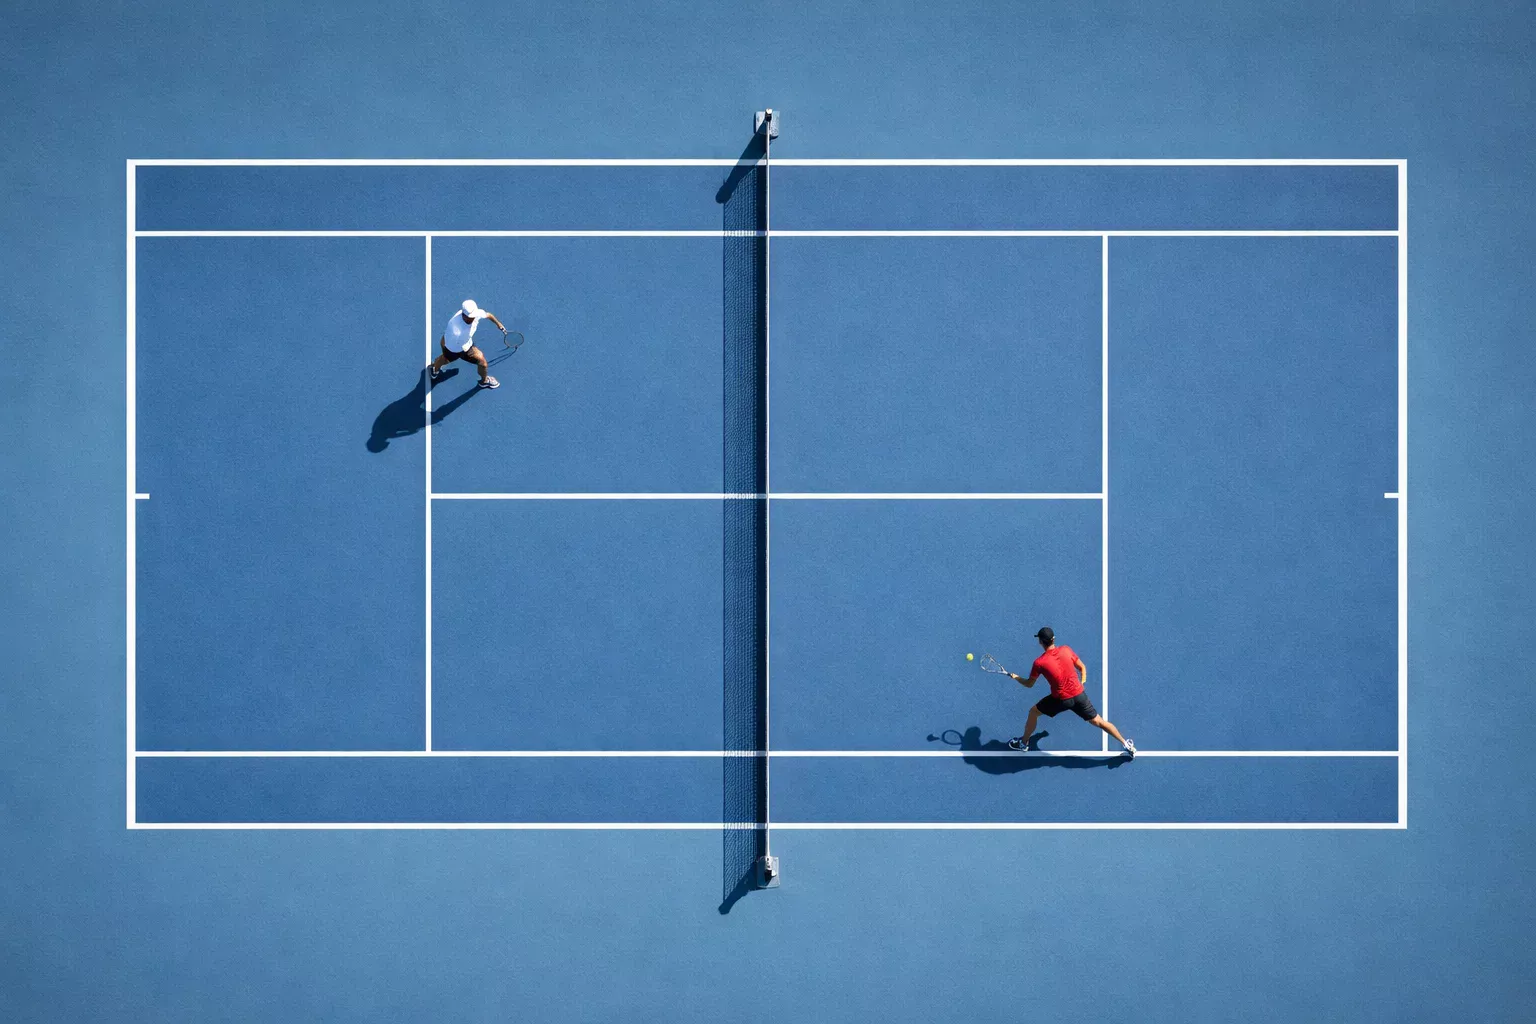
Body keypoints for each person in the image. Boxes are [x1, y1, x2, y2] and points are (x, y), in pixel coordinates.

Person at [1007, 626, 1135, 757]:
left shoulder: (1039, 663)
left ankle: (1023, 743)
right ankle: (1126, 744)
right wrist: (1082, 682)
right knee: (1099, 721)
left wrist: (1016, 677)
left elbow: (1029, 684)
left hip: (1061, 700)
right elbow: (1082, 667)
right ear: (1053, 639)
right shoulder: (1066, 650)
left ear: (1040, 642)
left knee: (1033, 712)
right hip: (1080, 696)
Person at [430, 299, 507, 389]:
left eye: (473, 316)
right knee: (446, 359)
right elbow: (449, 344)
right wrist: (464, 351)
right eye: (469, 317)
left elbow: (488, 315)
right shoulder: (456, 329)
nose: (472, 318)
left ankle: (484, 381)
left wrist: (498, 324)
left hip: (457, 342)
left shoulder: (476, 314)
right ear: (463, 314)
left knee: (482, 363)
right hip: (454, 347)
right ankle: (435, 369)